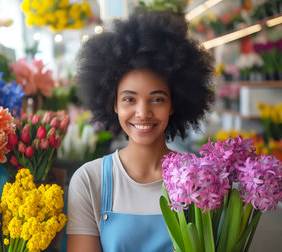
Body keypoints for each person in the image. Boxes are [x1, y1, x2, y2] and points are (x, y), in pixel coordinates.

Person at [66, 11, 214, 252]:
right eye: (129, 99)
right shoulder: (89, 181)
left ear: (173, 104)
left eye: (156, 99)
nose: (143, 113)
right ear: (113, 104)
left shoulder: (200, 178)